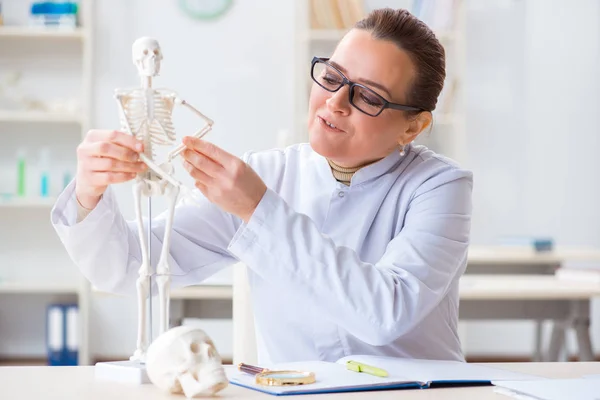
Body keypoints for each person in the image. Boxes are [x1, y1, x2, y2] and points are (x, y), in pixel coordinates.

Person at [51, 8, 473, 364]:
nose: (335, 102)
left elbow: (385, 312)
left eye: (368, 97)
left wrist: (259, 209)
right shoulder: (266, 175)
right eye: (333, 76)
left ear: (413, 127)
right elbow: (126, 267)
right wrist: (91, 189)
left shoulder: (440, 186)